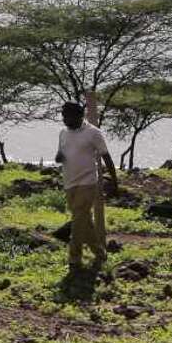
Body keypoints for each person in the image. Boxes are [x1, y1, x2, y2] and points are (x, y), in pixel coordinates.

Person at [54, 101, 115, 272]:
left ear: (80, 116)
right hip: (69, 182)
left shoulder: (93, 133)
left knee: (77, 220)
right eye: (64, 116)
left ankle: (74, 258)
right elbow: (60, 153)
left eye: (69, 117)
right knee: (84, 221)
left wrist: (114, 181)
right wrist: (59, 157)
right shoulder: (63, 133)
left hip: (87, 182)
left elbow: (106, 156)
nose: (65, 120)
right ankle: (100, 252)